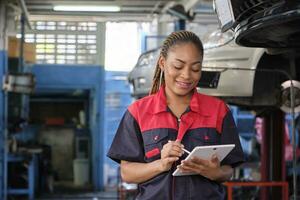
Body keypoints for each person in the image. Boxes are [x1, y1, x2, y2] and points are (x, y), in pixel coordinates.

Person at [107, 30, 245, 199]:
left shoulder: (219, 111)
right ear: (162, 63)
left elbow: (228, 170)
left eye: (195, 68)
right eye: (178, 66)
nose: (186, 75)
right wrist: (161, 164)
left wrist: (214, 172)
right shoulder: (137, 112)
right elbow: (127, 173)